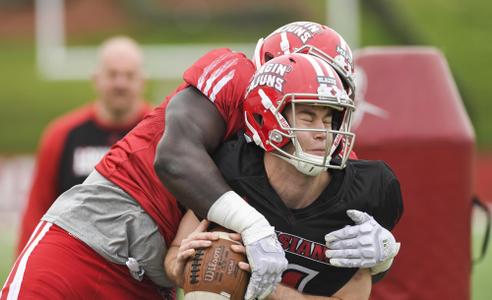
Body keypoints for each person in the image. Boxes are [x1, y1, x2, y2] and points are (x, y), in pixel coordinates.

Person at [2, 22, 397, 300]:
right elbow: (174, 158)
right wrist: (253, 225)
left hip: (157, 278)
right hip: (93, 236)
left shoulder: (316, 147)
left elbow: (320, 234)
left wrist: (382, 253)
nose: (321, 111)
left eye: (329, 103)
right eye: (310, 97)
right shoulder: (235, 74)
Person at [164, 53, 403, 299]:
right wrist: (181, 269)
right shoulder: (231, 169)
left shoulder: (364, 193)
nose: (323, 132)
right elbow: (174, 255)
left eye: (329, 119)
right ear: (266, 118)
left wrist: (269, 293)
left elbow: (354, 295)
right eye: (308, 118)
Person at [16, 36, 151, 255]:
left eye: (129, 75)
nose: (120, 83)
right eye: (112, 74)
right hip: (73, 264)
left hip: (141, 269)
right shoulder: (62, 134)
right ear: (96, 79)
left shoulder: (162, 133)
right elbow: (38, 206)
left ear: (142, 81)